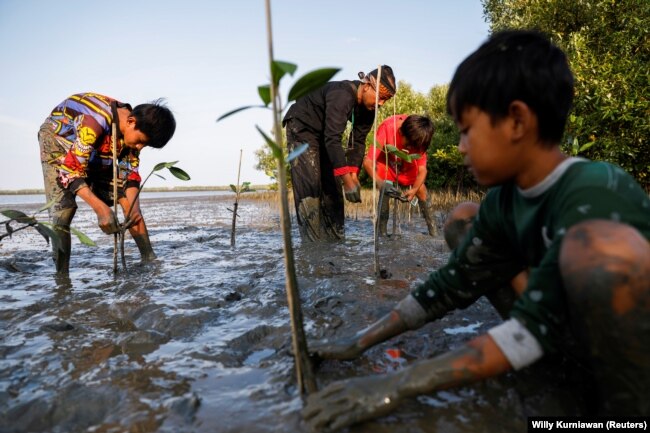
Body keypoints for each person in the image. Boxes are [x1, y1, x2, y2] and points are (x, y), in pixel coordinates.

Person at [302, 30, 650, 431]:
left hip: (616, 353)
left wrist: (397, 385)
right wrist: (359, 342)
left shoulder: (594, 190)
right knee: (464, 219)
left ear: (517, 121)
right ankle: (537, 353)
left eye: (467, 130)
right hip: (553, 326)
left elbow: (560, 307)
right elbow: (452, 284)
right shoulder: (505, 200)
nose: (461, 146)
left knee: (602, 252)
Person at [38, 92, 176, 274]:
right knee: (64, 212)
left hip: (97, 147)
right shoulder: (94, 124)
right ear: (131, 122)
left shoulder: (133, 129)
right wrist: (100, 208)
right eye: (141, 142)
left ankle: (149, 258)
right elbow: (70, 172)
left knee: (129, 203)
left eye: (145, 145)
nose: (140, 148)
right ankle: (62, 277)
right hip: (59, 141)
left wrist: (134, 209)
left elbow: (130, 174)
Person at [282, 66, 396, 241]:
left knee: (333, 189)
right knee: (310, 185)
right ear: (366, 86)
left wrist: (353, 174)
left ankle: (336, 244)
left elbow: (357, 142)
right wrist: (347, 181)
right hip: (302, 126)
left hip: (325, 135)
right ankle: (312, 246)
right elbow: (333, 139)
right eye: (380, 98)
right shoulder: (342, 94)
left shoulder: (369, 110)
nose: (381, 104)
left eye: (385, 101)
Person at [362, 114, 436, 236]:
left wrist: (414, 190)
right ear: (401, 133)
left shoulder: (420, 138)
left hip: (408, 163)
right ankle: (381, 233)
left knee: (421, 190)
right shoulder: (387, 127)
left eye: (414, 147)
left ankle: (433, 232)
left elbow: (422, 170)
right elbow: (368, 162)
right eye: (408, 145)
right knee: (385, 190)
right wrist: (380, 183)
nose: (410, 148)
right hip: (387, 163)